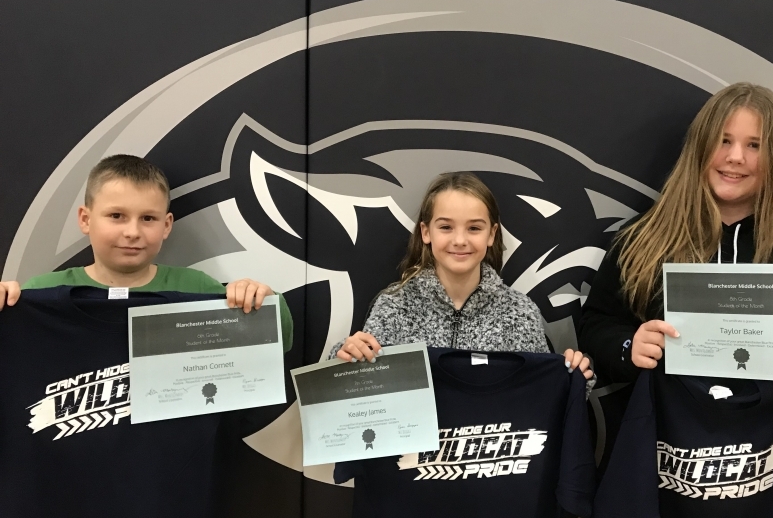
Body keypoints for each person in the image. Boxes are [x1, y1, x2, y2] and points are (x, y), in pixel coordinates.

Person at [578, 83, 773, 421]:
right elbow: (596, 325)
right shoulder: (642, 241)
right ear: (700, 147)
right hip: (663, 455)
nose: (735, 157)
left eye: (754, 145)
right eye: (724, 140)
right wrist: (628, 347)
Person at [0, 154, 293, 349]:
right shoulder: (40, 293)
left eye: (148, 219)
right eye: (116, 216)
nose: (132, 232)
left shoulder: (199, 288)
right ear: (86, 220)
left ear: (166, 226)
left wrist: (259, 301)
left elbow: (277, 339)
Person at [330, 171, 592, 381]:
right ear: (425, 232)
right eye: (445, 227)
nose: (459, 240)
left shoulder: (521, 312)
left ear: (491, 234)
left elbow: (541, 395)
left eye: (474, 228)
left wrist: (573, 376)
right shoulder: (394, 306)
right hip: (413, 450)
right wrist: (345, 356)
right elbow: (360, 385)